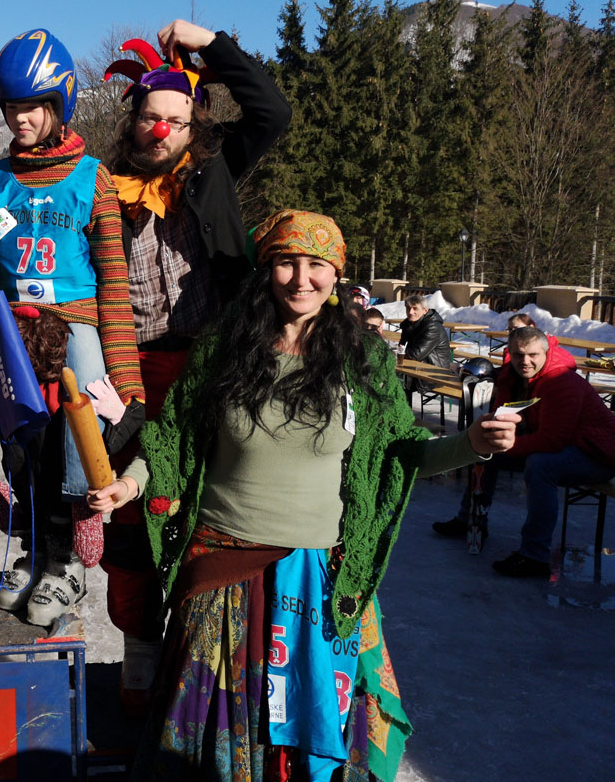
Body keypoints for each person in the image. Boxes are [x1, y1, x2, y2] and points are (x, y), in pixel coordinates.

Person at [89, 210, 518, 780]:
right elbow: (174, 438)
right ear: (266, 268)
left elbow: (402, 452)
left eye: (316, 264)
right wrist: (129, 483)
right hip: (222, 574)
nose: (300, 278)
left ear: (336, 274)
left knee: (306, 744)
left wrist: (473, 444)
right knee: (208, 748)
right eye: (286, 262)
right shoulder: (224, 348)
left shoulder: (362, 361)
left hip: (319, 578)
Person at [100, 18, 290, 707]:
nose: (162, 131)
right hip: (130, 370)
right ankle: (140, 648)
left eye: (177, 121)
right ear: (133, 119)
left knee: (204, 508)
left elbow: (272, 112)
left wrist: (212, 46)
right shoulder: (104, 188)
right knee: (131, 513)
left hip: (213, 368)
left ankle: (202, 660)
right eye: (151, 117)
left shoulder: (214, 171)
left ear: (193, 125)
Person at [0, 28, 145, 625]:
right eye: (12, 107)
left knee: (76, 437)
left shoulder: (94, 178)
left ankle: (69, 559)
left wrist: (125, 375)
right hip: (12, 330)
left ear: (61, 104)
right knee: (13, 439)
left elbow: (113, 282)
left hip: (75, 324)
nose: (21, 118)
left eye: (33, 106)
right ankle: (33, 547)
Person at [434, 326, 615, 577]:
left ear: (545, 353)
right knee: (487, 452)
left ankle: (535, 556)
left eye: (532, 355)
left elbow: (553, 441)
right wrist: (493, 438)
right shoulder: (511, 376)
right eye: (519, 355)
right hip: (568, 445)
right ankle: (470, 520)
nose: (525, 361)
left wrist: (509, 445)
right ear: (510, 352)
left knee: (541, 466)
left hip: (596, 453)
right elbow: (502, 415)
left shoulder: (561, 381)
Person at [398, 294, 451, 368]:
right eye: (408, 308)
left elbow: (416, 355)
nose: (410, 312)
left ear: (425, 310)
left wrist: (395, 352)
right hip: (417, 365)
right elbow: (401, 346)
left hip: (435, 369)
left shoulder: (433, 327)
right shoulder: (408, 324)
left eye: (415, 308)